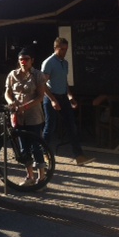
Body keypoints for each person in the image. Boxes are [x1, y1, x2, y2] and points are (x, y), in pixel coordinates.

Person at [41, 37, 95, 166]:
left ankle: (79, 156)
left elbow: (64, 81)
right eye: (62, 49)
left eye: (66, 49)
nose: (64, 52)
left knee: (71, 126)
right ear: (55, 48)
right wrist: (53, 100)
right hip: (51, 96)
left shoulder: (65, 63)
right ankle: (43, 153)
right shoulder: (48, 62)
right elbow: (42, 84)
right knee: (50, 127)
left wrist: (70, 96)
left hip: (63, 96)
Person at [4, 47, 48, 185]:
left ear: (32, 60)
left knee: (36, 146)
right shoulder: (13, 75)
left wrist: (26, 106)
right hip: (18, 116)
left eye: (26, 59)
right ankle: (30, 176)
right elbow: (7, 92)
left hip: (33, 116)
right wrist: (11, 102)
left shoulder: (38, 75)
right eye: (21, 59)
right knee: (23, 147)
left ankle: (42, 176)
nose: (23, 62)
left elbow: (40, 96)